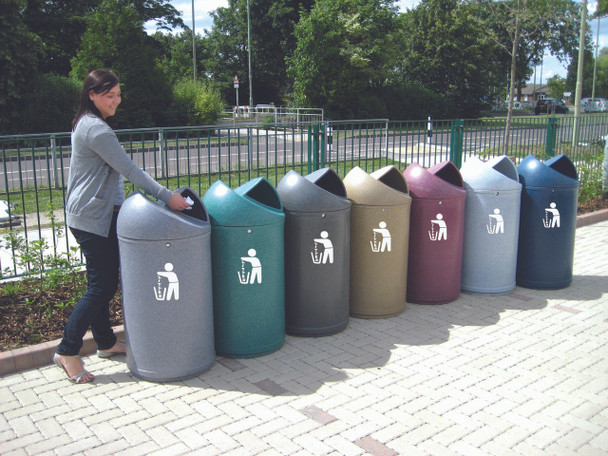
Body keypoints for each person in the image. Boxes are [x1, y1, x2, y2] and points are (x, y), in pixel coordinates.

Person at [53, 69, 191, 384]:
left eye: (117, 94)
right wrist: (167, 197)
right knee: (101, 286)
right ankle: (67, 350)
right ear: (92, 95)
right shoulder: (97, 130)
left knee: (101, 283)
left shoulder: (88, 124)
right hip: (92, 217)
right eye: (109, 95)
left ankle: (104, 342)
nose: (116, 100)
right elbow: (128, 169)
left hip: (96, 214)